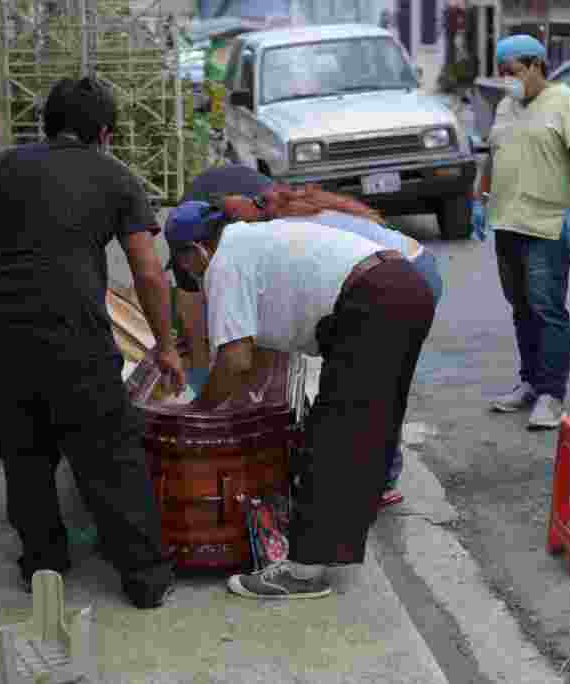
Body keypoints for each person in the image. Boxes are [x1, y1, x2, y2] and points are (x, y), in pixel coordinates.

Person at [0, 76, 186, 608]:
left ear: (47, 122)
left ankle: (43, 565)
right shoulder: (115, 176)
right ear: (104, 132)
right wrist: (166, 345)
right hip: (74, 336)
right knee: (110, 456)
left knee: (25, 454)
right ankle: (144, 579)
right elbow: (148, 270)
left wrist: (10, 273)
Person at [164, 200, 435, 599]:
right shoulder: (252, 240)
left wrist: (198, 414)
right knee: (370, 424)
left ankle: (304, 571)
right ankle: (339, 534)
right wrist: (240, 401)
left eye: (184, 265)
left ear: (193, 251)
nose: (190, 274)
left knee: (334, 434)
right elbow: (256, 356)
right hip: (404, 286)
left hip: (371, 300)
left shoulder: (224, 263)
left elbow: (234, 359)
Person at [220, 184, 444, 506]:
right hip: (413, 263)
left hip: (403, 273)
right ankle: (374, 475)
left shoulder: (284, 230)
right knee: (376, 379)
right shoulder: (301, 210)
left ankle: (378, 480)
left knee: (371, 381)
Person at [471, 34, 570, 429]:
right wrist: (480, 199)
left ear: (535, 65)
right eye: (501, 71)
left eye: (511, 71)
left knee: (547, 308)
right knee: (521, 308)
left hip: (548, 225)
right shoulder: (506, 106)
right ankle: (530, 382)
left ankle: (552, 395)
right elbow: (494, 155)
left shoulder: (569, 104)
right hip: (507, 222)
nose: (506, 79)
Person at [171, 165, 275, 377]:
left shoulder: (259, 234)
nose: (186, 268)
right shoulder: (183, 238)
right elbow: (191, 303)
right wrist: (201, 365)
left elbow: (272, 308)